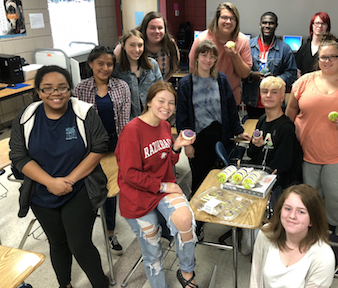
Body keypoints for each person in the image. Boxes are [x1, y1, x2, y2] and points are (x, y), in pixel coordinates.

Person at [9, 65, 110, 288]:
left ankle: (100, 284)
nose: (56, 93)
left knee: (80, 244)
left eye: (62, 88)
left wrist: (70, 179)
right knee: (57, 243)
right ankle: (64, 284)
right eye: (48, 89)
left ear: (70, 89)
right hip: (41, 192)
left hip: (80, 188)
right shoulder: (26, 117)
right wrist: (50, 182)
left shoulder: (84, 112)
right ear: (38, 91)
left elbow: (100, 146)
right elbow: (18, 155)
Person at [115, 81, 199, 288]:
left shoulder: (164, 125)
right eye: (161, 101)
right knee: (153, 251)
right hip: (137, 197)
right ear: (149, 101)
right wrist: (164, 186)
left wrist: (176, 147)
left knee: (185, 220)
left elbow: (165, 159)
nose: (167, 107)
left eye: (171, 103)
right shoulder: (132, 131)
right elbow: (130, 175)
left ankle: (186, 272)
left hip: (161, 188)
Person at [286, 33, 338, 233]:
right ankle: (312, 223)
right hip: (307, 149)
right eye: (324, 57)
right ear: (318, 59)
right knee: (311, 192)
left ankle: (332, 224)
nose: (328, 61)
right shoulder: (304, 81)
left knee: (336, 193)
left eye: (333, 56)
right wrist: (288, 134)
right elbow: (291, 110)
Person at [74, 46, 131, 255]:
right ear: (90, 64)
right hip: (91, 148)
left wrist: (125, 148)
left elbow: (125, 120)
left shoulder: (121, 86)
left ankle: (110, 231)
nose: (105, 68)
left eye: (109, 64)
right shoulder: (80, 89)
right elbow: (79, 121)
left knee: (110, 191)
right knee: (89, 189)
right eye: (100, 63)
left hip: (115, 146)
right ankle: (81, 233)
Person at [177, 39, 250, 196]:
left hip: (219, 136)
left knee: (218, 176)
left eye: (212, 56)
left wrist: (238, 130)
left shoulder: (221, 80)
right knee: (199, 179)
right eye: (204, 55)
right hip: (197, 140)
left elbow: (230, 107)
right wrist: (187, 144)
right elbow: (182, 117)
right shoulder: (186, 83)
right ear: (196, 57)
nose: (208, 60)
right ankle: (197, 217)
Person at [250, 184, 335, 288]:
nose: (292, 216)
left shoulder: (324, 257)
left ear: (312, 220)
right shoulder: (266, 233)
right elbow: (255, 279)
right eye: (288, 209)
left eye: (301, 211)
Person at [188, 2, 252, 106]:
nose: (228, 21)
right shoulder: (202, 39)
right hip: (205, 98)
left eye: (232, 18)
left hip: (230, 98)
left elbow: (244, 74)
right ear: (217, 19)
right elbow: (193, 70)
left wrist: (235, 56)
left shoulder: (242, 41)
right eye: (224, 17)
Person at [247, 76, 302, 190]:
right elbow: (251, 153)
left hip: (274, 184)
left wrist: (260, 180)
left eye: (274, 92)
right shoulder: (262, 120)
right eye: (265, 91)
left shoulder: (286, 128)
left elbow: (282, 164)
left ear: (282, 97)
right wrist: (255, 145)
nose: (268, 95)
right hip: (257, 176)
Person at [242, 12, 298, 118]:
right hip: (252, 100)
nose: (267, 26)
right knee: (254, 130)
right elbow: (239, 70)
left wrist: (276, 80)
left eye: (271, 23)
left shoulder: (284, 48)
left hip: (275, 101)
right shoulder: (248, 46)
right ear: (260, 25)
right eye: (264, 23)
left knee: (273, 132)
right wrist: (251, 75)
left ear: (276, 25)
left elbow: (292, 73)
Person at [114, 11, 180, 81]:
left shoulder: (170, 43)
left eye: (160, 28)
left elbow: (175, 66)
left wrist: (163, 83)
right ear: (145, 28)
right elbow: (114, 62)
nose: (157, 31)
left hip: (160, 86)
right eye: (152, 28)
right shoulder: (132, 40)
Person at [112, 29, 162, 119]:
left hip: (152, 118)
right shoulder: (116, 70)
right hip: (129, 122)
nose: (137, 49)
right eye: (132, 45)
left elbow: (161, 90)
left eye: (140, 45)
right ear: (123, 45)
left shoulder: (152, 65)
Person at [296, 12, 331, 77]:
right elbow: (298, 70)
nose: (320, 26)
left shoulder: (329, 49)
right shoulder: (304, 47)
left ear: (327, 27)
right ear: (312, 25)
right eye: (317, 23)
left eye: (323, 23)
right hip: (304, 84)